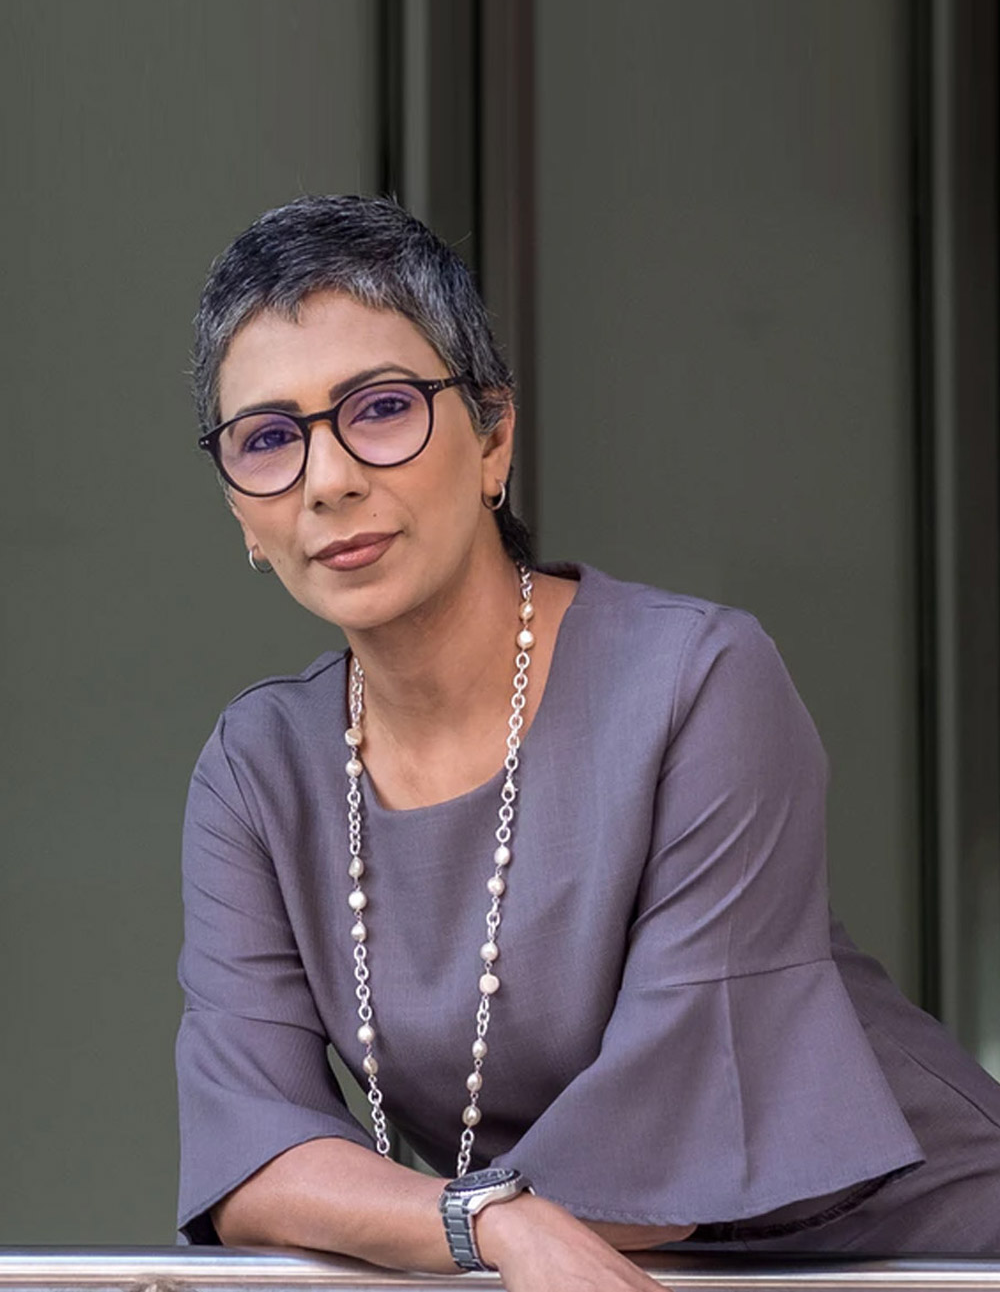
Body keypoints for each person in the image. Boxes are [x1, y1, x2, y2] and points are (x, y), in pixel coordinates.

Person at [177, 195, 1000, 1282]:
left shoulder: (695, 680)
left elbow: (680, 1135)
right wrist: (489, 1223)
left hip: (917, 1260)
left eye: (380, 408)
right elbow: (252, 1161)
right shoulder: (257, 770)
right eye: (269, 438)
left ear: (493, 439)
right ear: (242, 512)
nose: (328, 479)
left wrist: (445, 1219)